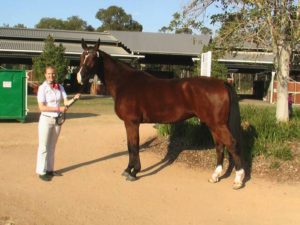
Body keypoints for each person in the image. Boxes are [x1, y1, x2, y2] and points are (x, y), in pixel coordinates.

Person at [36, 65, 80, 181]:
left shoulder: (60, 87)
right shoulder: (42, 88)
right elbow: (42, 107)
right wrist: (59, 109)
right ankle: (41, 171)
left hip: (57, 120)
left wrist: (74, 99)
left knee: (52, 146)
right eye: (49, 74)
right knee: (43, 146)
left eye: (53, 74)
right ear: (45, 75)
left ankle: (50, 170)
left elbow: (65, 102)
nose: (51, 76)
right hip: (46, 119)